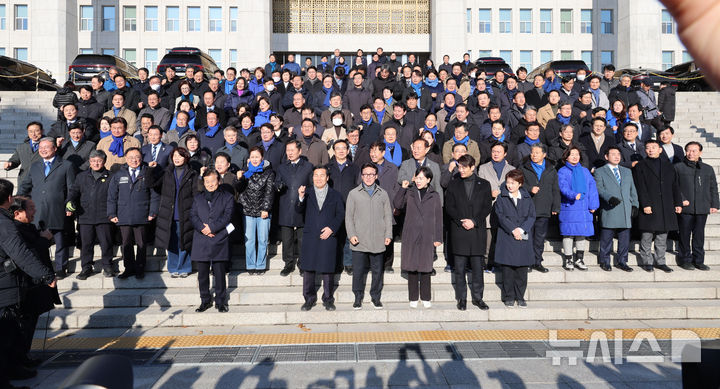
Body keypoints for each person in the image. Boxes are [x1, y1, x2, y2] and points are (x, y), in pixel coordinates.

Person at [0, 179, 56, 389]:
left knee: (10, 336)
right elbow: (21, 253)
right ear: (9, 199)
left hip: (9, 286)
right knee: (5, 338)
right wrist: (46, 276)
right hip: (5, 287)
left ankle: (13, 371)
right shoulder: (5, 224)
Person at [9, 195, 60, 380]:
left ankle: (25, 356)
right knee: (23, 324)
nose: (34, 211)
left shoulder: (29, 227)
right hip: (26, 286)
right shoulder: (15, 229)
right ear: (18, 213)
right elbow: (27, 253)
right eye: (30, 208)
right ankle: (19, 360)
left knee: (31, 322)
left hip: (37, 284)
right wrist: (45, 240)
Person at [17, 137, 76, 279]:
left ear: (55, 148)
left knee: (60, 240)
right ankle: (41, 266)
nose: (43, 150)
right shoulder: (35, 165)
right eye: (41, 147)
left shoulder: (66, 165)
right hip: (37, 210)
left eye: (46, 147)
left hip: (57, 208)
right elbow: (26, 185)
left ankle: (61, 267)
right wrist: (17, 200)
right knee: (37, 240)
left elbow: (72, 188)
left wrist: (70, 204)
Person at [445, 155, 492, 310]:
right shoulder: (453, 184)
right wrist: (461, 221)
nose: (461, 170)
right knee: (459, 269)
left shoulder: (484, 184)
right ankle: (462, 298)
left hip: (477, 231)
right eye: (459, 167)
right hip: (459, 231)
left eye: (464, 167)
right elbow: (449, 206)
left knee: (478, 268)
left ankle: (478, 298)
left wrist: (475, 221)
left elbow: (487, 207)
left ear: (473, 167)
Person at [296, 166, 345, 311]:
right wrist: (300, 197)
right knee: (308, 269)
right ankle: (309, 298)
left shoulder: (335, 195)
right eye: (316, 175)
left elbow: (340, 215)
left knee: (328, 269)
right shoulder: (307, 193)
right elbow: (298, 210)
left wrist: (332, 229)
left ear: (327, 178)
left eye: (321, 175)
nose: (318, 178)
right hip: (310, 235)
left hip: (328, 236)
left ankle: (328, 299)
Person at [346, 163, 393, 309]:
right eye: (365, 174)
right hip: (359, 239)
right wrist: (351, 234)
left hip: (378, 239)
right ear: (361, 176)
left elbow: (387, 216)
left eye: (371, 174)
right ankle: (358, 297)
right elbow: (349, 217)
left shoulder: (383, 193)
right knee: (358, 271)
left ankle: (375, 297)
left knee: (377, 271)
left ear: (376, 176)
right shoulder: (354, 193)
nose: (368, 177)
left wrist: (388, 234)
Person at [106, 147, 159, 279]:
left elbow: (155, 195)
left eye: (137, 157)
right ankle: (128, 268)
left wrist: (153, 211)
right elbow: (112, 196)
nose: (134, 160)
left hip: (142, 213)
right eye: (131, 157)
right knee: (126, 243)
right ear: (126, 159)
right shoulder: (119, 174)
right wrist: (112, 213)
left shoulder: (147, 173)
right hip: (123, 214)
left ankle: (140, 269)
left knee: (141, 243)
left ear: (141, 159)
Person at [394, 167, 443, 309]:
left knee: (426, 267)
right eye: (417, 178)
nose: (419, 181)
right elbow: (397, 204)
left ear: (428, 180)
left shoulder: (434, 195)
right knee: (412, 266)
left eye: (422, 178)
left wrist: (438, 237)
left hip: (428, 234)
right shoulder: (409, 192)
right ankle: (413, 297)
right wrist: (402, 189)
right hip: (411, 233)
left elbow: (438, 218)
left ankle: (426, 297)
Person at [634, 140, 683, 273]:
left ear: (660, 150)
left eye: (654, 147)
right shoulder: (640, 165)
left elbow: (675, 186)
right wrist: (645, 204)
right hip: (650, 204)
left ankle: (660, 261)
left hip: (666, 205)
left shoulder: (668, 165)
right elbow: (640, 187)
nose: (650, 150)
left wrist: (678, 203)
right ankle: (647, 261)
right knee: (647, 235)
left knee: (662, 236)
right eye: (648, 148)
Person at [65, 150, 116, 278]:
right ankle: (86, 267)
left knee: (106, 243)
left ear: (104, 161)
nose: (96, 163)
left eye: (99, 161)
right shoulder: (81, 176)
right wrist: (69, 202)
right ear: (89, 162)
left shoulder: (111, 176)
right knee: (86, 244)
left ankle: (107, 266)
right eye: (93, 161)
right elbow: (73, 192)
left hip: (104, 215)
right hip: (85, 215)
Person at [191, 168, 235, 313]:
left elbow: (227, 216)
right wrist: (203, 229)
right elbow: (193, 216)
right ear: (203, 183)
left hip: (219, 238)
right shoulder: (198, 198)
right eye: (207, 181)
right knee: (202, 274)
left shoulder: (227, 197)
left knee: (220, 273)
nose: (210, 184)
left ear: (219, 181)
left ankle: (221, 301)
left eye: (213, 181)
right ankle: (205, 300)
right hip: (201, 239)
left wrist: (212, 228)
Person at [150, 147, 199, 278]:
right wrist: (152, 170)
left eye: (180, 156)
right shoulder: (166, 172)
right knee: (171, 241)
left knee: (184, 240)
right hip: (169, 213)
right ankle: (173, 267)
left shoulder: (192, 174)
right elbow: (152, 184)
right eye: (174, 156)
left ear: (186, 157)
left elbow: (196, 194)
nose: (177, 158)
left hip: (185, 212)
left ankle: (184, 267)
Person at [493, 169, 536, 308]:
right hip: (508, 236)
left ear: (520, 184)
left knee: (522, 270)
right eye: (508, 182)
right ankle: (509, 296)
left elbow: (531, 216)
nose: (509, 185)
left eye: (513, 183)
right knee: (508, 271)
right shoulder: (502, 198)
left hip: (523, 236)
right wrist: (513, 229)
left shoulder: (527, 197)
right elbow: (500, 216)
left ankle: (520, 296)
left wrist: (521, 229)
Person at [674, 141, 719, 271]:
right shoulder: (678, 167)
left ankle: (699, 260)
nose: (691, 153)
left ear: (700, 152)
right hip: (685, 208)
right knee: (684, 234)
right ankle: (685, 259)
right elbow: (674, 186)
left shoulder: (707, 168)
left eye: (694, 151)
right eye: (688, 150)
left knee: (699, 235)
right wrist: (680, 201)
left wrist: (715, 204)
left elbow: (713, 187)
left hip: (702, 207)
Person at [594, 146, 638, 272]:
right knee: (606, 237)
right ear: (606, 157)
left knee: (624, 238)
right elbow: (599, 188)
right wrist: (609, 198)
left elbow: (632, 189)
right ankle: (605, 260)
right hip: (610, 207)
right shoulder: (600, 171)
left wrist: (635, 204)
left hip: (625, 208)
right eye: (613, 154)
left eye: (618, 154)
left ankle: (622, 261)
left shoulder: (626, 171)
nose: (616, 156)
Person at [557, 146, 599, 271]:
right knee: (568, 234)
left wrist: (593, 204)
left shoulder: (585, 171)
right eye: (572, 154)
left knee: (581, 233)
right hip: (569, 206)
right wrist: (573, 195)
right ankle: (568, 259)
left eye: (577, 154)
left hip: (584, 207)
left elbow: (592, 188)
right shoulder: (562, 171)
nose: (575, 156)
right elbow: (562, 187)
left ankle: (580, 258)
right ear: (566, 157)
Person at [275, 140, 313, 276]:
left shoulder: (308, 166)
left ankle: (303, 263)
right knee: (287, 239)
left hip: (302, 205)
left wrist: (304, 192)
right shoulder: (281, 167)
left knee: (303, 239)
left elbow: (312, 186)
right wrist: (278, 186)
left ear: (299, 151)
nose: (290, 153)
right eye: (288, 150)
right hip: (285, 206)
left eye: (292, 150)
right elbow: (277, 182)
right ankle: (288, 263)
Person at [520, 144, 559, 273]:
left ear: (544, 155)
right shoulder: (524, 167)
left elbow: (555, 189)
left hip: (544, 208)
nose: (534, 155)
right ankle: (527, 262)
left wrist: (556, 206)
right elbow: (517, 184)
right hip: (527, 208)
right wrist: (529, 188)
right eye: (532, 152)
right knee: (527, 237)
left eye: (537, 152)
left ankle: (537, 261)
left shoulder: (551, 169)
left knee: (539, 238)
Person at [477, 141, 515, 271]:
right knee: (488, 239)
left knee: (502, 237)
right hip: (489, 207)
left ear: (505, 153)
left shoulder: (511, 169)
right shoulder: (483, 168)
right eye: (493, 151)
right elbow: (479, 188)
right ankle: (487, 263)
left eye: (499, 151)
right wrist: (489, 194)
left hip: (506, 208)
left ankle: (501, 263)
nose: (496, 154)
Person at [237, 147, 275, 274]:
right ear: (249, 159)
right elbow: (239, 188)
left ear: (262, 158)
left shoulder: (269, 172)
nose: (254, 159)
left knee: (263, 239)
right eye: (252, 157)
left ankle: (261, 265)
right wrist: (239, 178)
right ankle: (251, 264)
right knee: (249, 241)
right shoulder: (245, 172)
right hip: (247, 209)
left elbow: (269, 192)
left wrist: (266, 208)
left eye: (257, 157)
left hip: (263, 211)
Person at [397, 138, 443, 204]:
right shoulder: (405, 163)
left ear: (426, 149)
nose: (415, 151)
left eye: (418, 148)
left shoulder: (434, 166)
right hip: (410, 202)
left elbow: (438, 187)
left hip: (429, 202)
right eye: (414, 148)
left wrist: (440, 205)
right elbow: (400, 179)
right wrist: (411, 179)